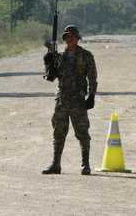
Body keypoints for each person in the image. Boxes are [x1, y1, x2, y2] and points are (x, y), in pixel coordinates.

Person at [42, 25, 98, 175]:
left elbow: (92, 78)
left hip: (78, 100)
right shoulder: (60, 56)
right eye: (67, 37)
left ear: (78, 38)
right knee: (58, 132)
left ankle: (85, 165)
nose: (70, 39)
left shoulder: (86, 56)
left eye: (72, 36)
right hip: (62, 99)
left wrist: (91, 96)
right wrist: (48, 62)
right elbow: (51, 77)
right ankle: (56, 164)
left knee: (82, 132)